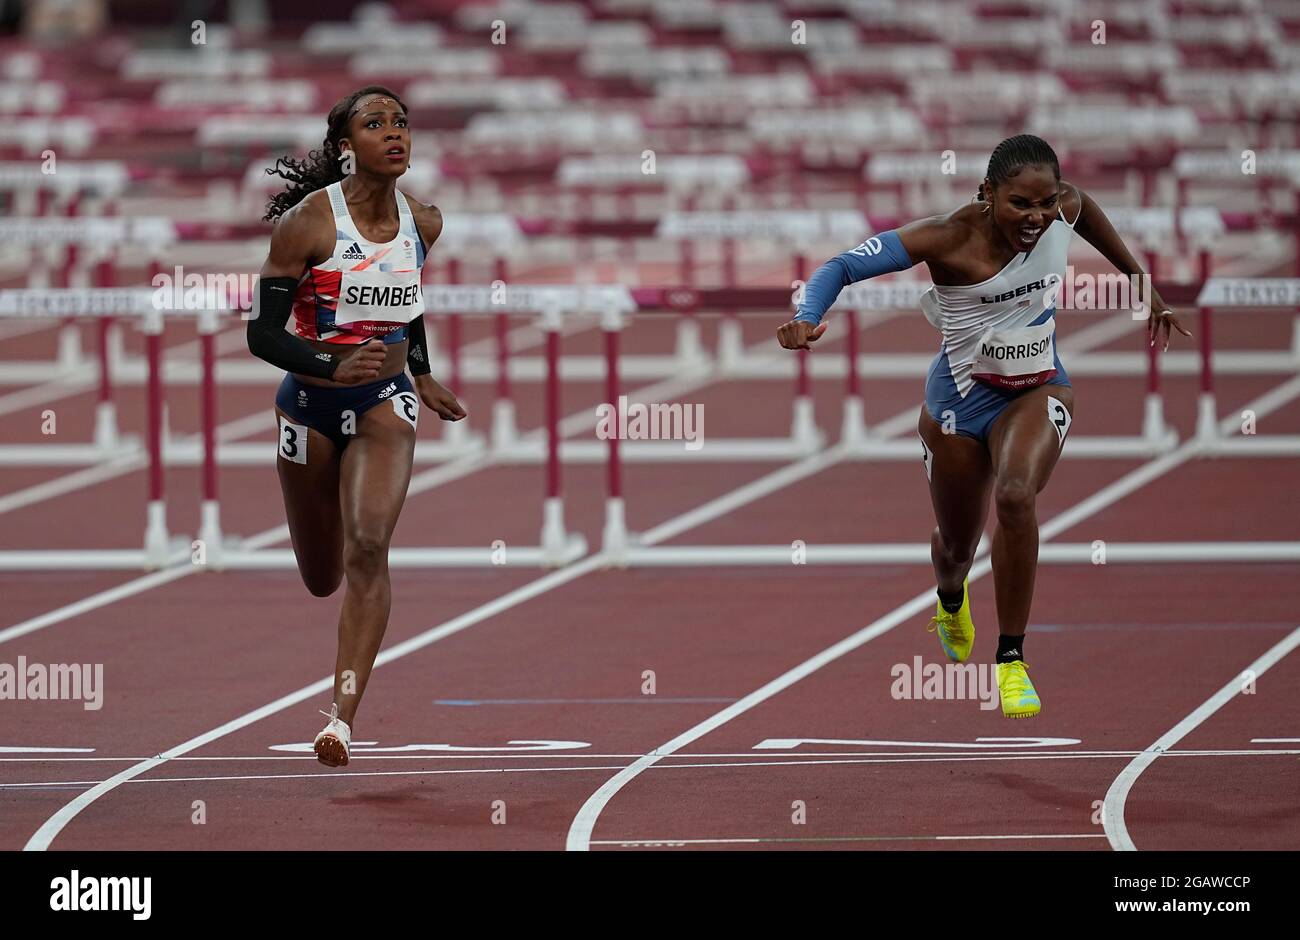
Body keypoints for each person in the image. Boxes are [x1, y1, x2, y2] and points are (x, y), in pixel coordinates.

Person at [777, 134, 1191, 718]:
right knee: (955, 546)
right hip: (958, 405)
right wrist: (806, 317)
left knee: (1017, 496)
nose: (1038, 217)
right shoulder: (947, 237)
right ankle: (950, 599)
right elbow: (842, 265)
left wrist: (1144, 288)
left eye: (1046, 204)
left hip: (1038, 387)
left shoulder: (1063, 209)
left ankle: (1012, 659)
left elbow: (1086, 210)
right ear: (987, 193)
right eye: (1021, 204)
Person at [248, 86, 467, 765]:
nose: (395, 133)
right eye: (376, 124)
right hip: (308, 407)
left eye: (402, 122)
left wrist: (421, 373)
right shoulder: (309, 227)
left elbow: (409, 302)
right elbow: (261, 333)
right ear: (347, 148)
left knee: (369, 547)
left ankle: (341, 717)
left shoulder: (423, 222)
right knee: (322, 575)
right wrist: (328, 361)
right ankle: (328, 514)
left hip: (383, 403)